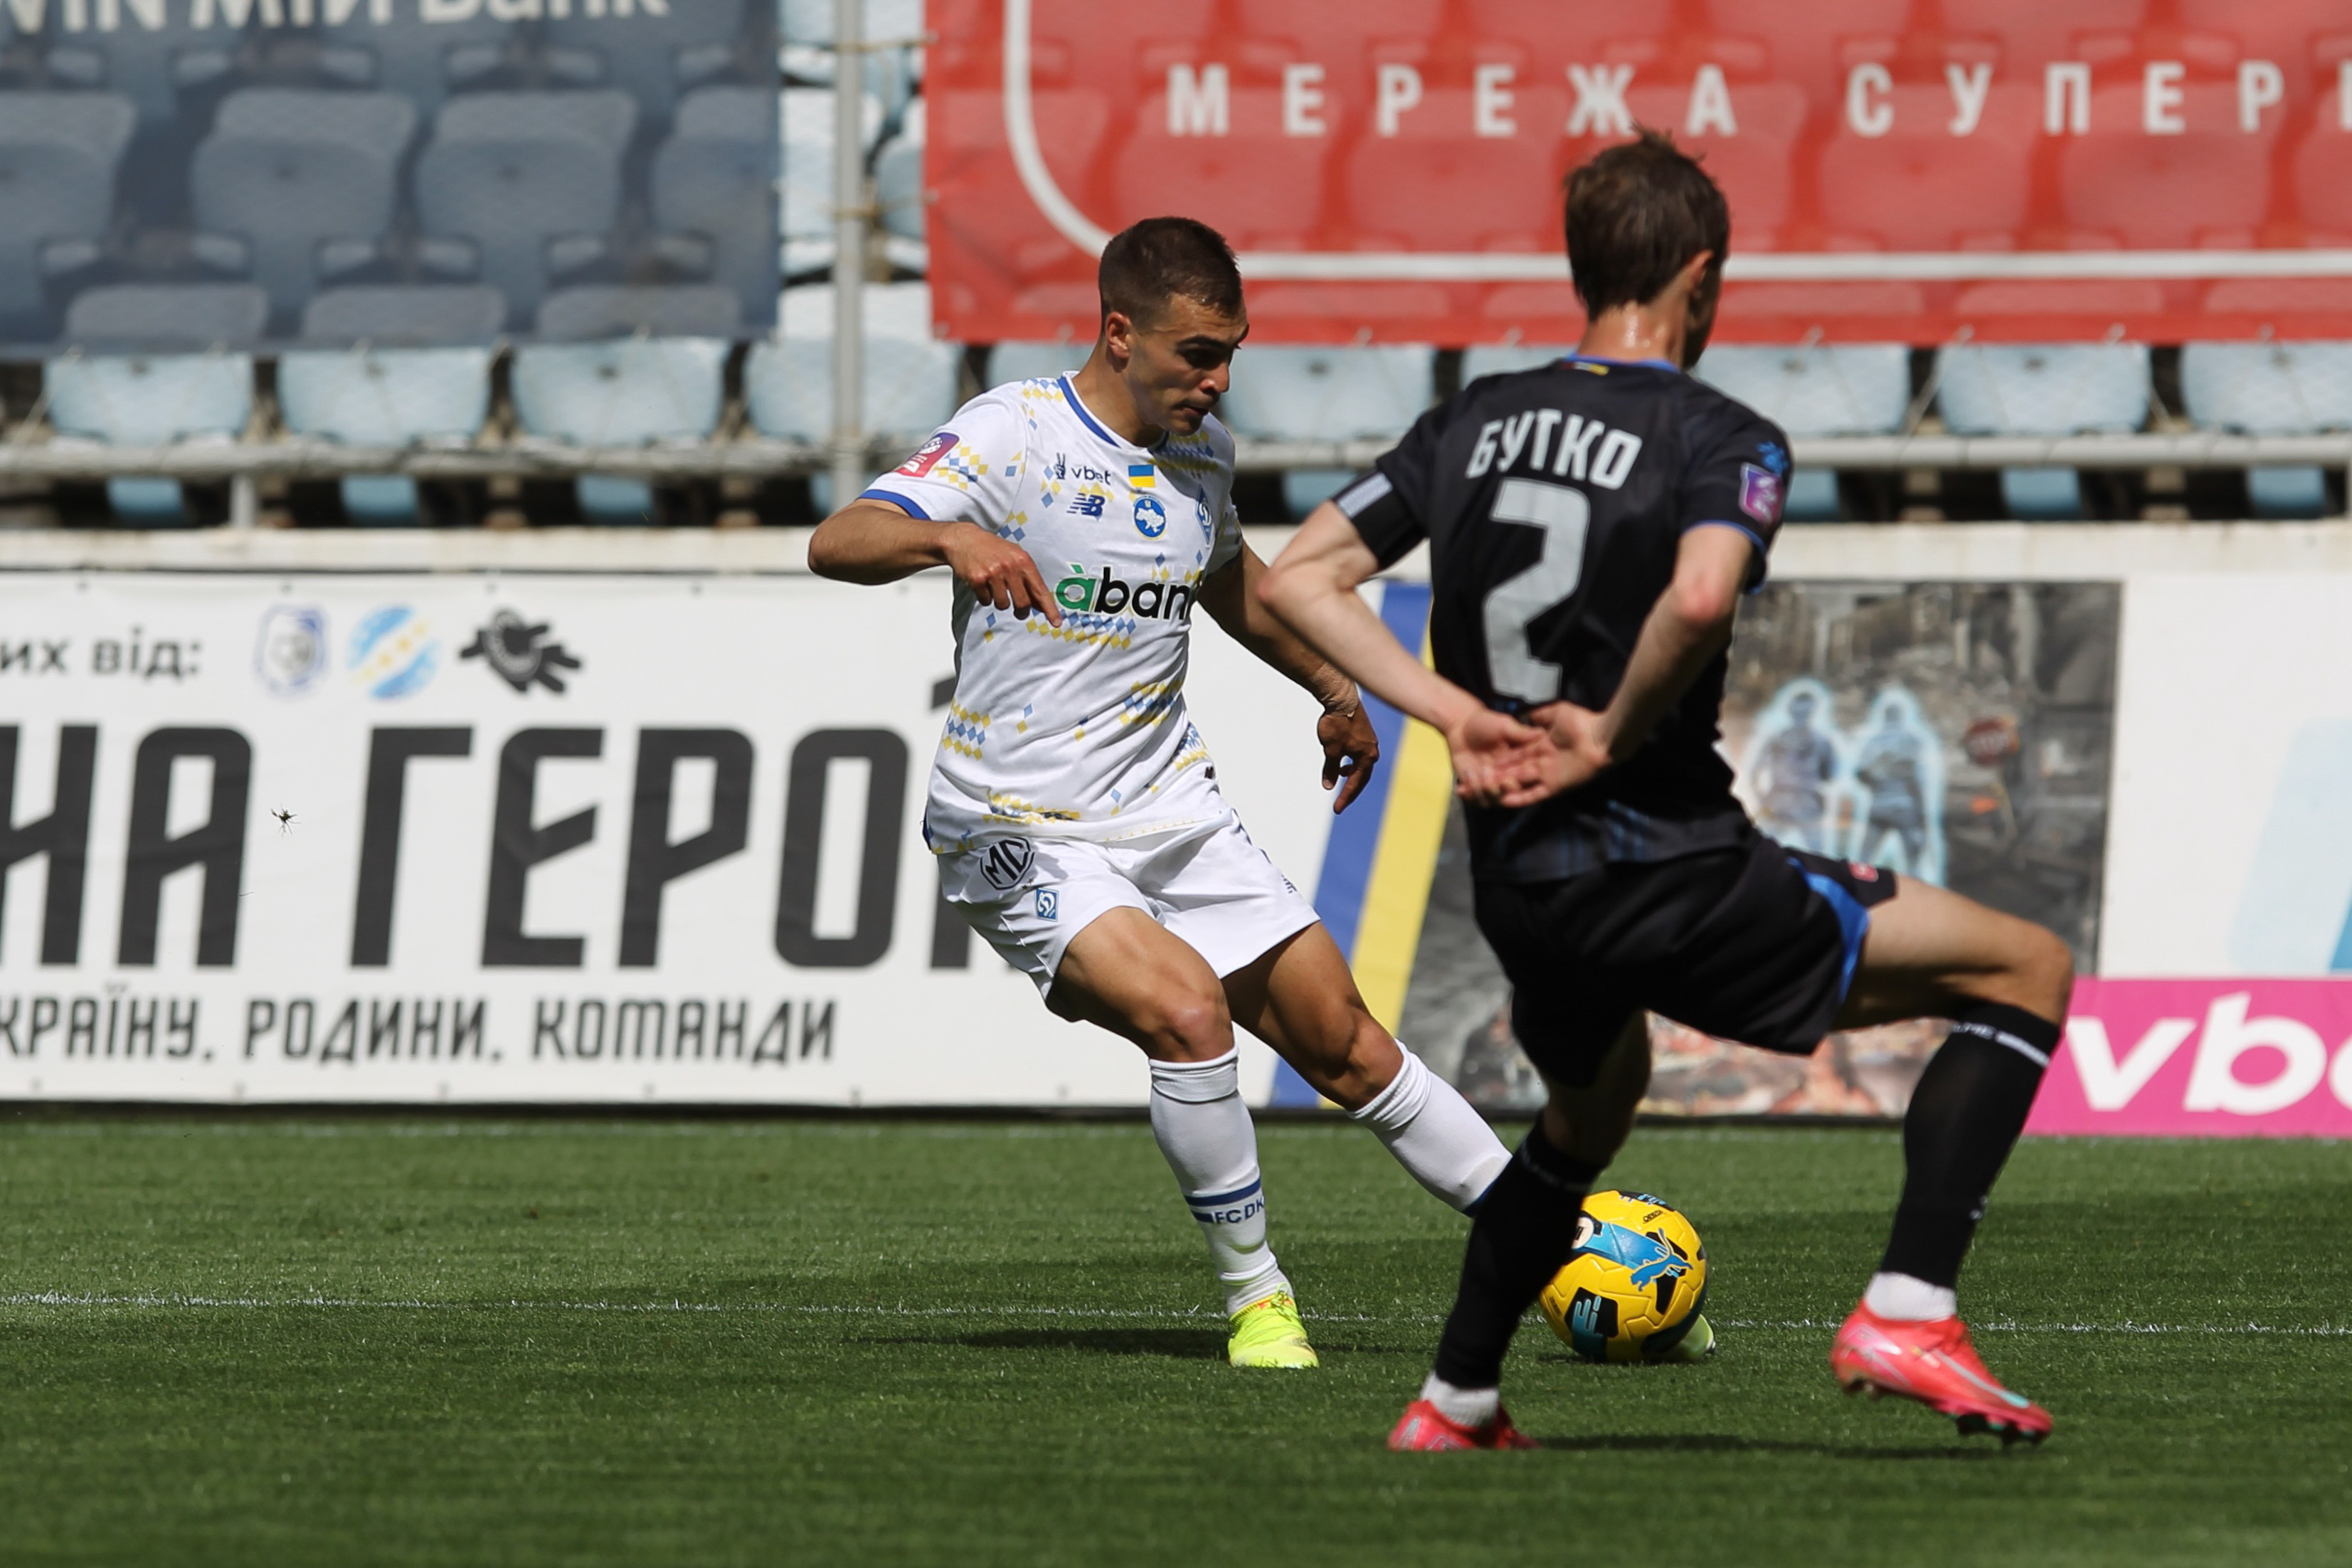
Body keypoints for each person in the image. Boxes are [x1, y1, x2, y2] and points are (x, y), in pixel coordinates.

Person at [1259, 132, 2073, 1448]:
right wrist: (1606, 733)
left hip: (1519, 883)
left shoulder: (1468, 419)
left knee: (1588, 1113)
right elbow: (1698, 597)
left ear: (1581, 268)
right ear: (1699, 277)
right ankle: (1909, 1310)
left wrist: (1455, 714)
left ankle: (1456, 1398)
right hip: (1668, 868)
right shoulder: (1718, 434)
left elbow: (1300, 576)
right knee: (2022, 968)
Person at [807, 216, 1514, 1371]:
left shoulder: (1202, 456)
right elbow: (838, 539)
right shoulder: (1015, 431)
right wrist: (947, 541)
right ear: (1119, 333)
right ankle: (1257, 1298)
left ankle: (1554, 1248)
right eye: (1197, 353)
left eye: (1229, 353)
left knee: (1347, 1047)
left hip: (1171, 812)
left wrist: (1333, 687)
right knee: (1188, 1015)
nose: (1217, 378)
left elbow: (1231, 582)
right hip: (1017, 823)